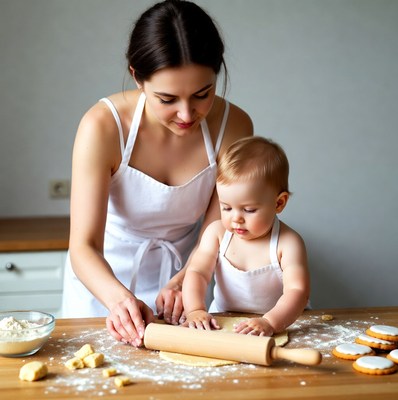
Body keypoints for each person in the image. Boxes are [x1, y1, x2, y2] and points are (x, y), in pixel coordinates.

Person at [61, 0, 253, 347]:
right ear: (137, 76)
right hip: (102, 288)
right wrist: (119, 301)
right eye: (167, 98)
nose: (186, 113)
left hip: (184, 286)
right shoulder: (103, 127)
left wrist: (188, 279)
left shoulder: (233, 126)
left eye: (202, 94)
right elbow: (83, 246)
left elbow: (219, 226)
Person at [182, 136, 309, 336]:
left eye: (248, 210)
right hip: (225, 322)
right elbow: (197, 272)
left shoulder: (288, 243)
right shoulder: (216, 233)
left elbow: (297, 291)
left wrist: (270, 322)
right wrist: (195, 310)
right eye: (226, 207)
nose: (236, 219)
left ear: (279, 203)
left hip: (281, 323)